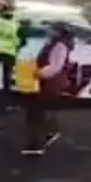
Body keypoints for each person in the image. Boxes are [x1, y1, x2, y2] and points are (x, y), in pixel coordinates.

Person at [24, 21, 77, 155]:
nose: (49, 32)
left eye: (52, 30)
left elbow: (55, 66)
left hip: (49, 83)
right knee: (39, 111)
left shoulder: (59, 46)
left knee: (36, 112)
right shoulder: (58, 44)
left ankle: (37, 144)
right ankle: (48, 134)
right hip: (50, 83)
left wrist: (37, 73)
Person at [0, 4, 22, 110]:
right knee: (8, 78)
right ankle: (8, 102)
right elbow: (20, 41)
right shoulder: (16, 25)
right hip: (10, 54)